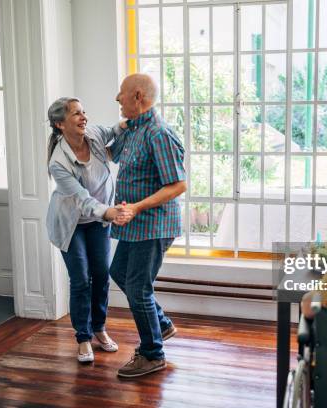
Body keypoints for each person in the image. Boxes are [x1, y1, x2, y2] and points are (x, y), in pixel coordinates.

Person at [108, 74, 187, 378]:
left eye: (122, 94)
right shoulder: (135, 129)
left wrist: (138, 207)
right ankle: (162, 324)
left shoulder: (159, 134)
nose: (118, 98)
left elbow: (178, 185)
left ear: (138, 96)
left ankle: (153, 354)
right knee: (119, 273)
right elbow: (109, 152)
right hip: (133, 225)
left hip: (153, 224)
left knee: (138, 287)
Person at [46, 97, 123, 362]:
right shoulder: (58, 162)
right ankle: (83, 337)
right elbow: (82, 198)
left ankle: (99, 328)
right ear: (60, 124)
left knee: (101, 275)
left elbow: (114, 132)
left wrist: (127, 124)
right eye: (76, 114)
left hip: (98, 222)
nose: (83, 117)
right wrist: (109, 211)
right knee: (81, 279)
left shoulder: (93, 134)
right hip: (72, 224)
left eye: (83, 112)